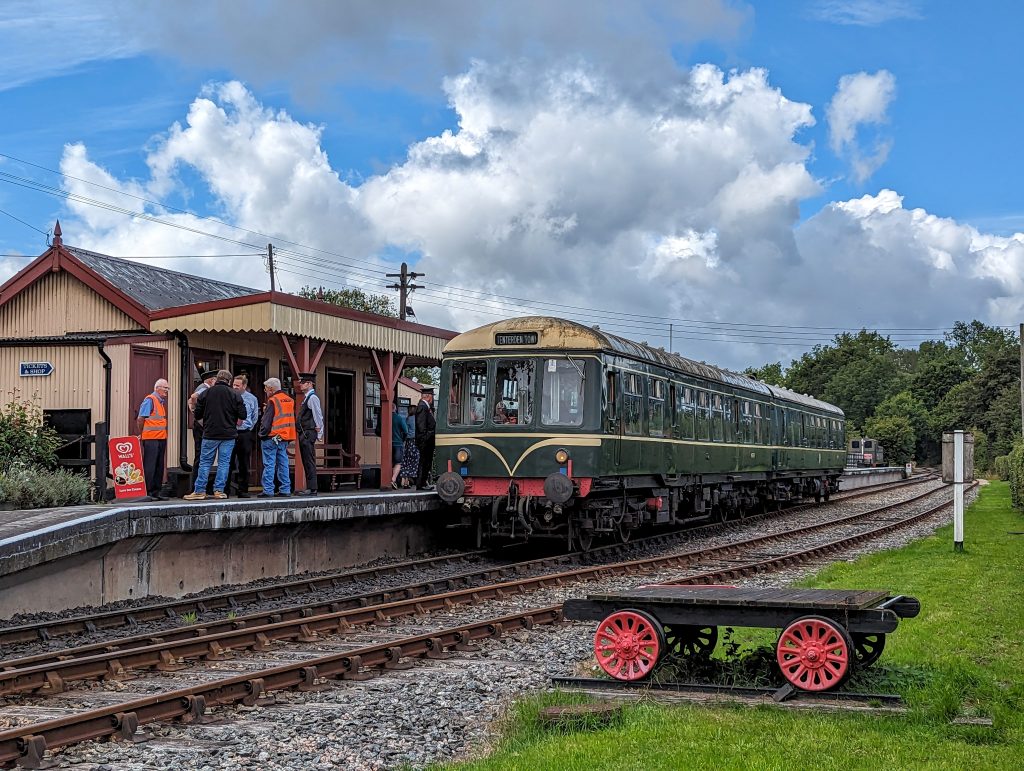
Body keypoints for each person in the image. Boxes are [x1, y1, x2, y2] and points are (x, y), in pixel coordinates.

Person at [185, 370, 246, 500]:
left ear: (216, 379)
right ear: (229, 381)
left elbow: (197, 415)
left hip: (210, 433)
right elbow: (243, 415)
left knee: (205, 462)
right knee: (224, 463)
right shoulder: (235, 394)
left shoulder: (206, 393)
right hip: (229, 434)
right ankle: (219, 491)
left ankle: (199, 491)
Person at [258, 377, 295, 498]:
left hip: (272, 436)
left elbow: (267, 421)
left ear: (271, 389)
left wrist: (262, 434)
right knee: (283, 462)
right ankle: (285, 489)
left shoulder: (273, 400)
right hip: (284, 436)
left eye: (266, 389)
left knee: (269, 463)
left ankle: (268, 490)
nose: (265, 391)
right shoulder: (289, 400)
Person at [137, 378, 170, 500]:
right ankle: (148, 492)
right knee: (150, 465)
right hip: (150, 438)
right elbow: (140, 419)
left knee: (159, 465)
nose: (167, 390)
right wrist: (142, 433)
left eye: (168, 388)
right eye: (165, 388)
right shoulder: (150, 400)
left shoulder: (160, 402)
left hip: (161, 438)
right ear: (157, 388)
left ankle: (156, 492)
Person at [228, 374, 259, 498]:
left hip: (244, 433)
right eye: (233, 385)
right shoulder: (229, 396)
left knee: (244, 463)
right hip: (230, 432)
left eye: (237, 385)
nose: (234, 387)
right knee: (227, 461)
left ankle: (243, 490)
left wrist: (248, 428)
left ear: (244, 386)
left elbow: (255, 417)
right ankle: (225, 490)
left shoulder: (252, 399)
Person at [295, 372, 324, 496]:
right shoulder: (307, 398)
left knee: (309, 460)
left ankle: (313, 488)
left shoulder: (312, 398)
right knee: (306, 459)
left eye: (303, 383)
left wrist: (319, 432)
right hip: (304, 432)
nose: (300, 385)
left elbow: (318, 415)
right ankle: (311, 487)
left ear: (309, 384)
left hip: (308, 432)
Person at [188, 369, 218, 491]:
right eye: (216, 380)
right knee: (201, 456)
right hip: (201, 427)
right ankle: (197, 485)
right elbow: (192, 398)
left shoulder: (202, 387)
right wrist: (198, 414)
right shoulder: (205, 388)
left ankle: (197, 485)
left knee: (200, 456)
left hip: (200, 425)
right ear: (212, 380)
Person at [414, 389, 436, 490]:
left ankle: (423, 482)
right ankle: (421, 483)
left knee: (427, 461)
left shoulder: (426, 407)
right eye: (432, 396)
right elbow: (421, 425)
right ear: (429, 396)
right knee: (424, 461)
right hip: (425, 440)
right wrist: (426, 437)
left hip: (428, 440)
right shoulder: (422, 407)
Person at [389, 399, 409, 489]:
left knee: (388, 462)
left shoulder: (385, 418)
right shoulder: (399, 418)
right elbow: (406, 431)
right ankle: (393, 480)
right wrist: (403, 439)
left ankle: (387, 478)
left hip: (387, 444)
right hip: (398, 443)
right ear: (395, 409)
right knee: (398, 462)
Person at [399, 404, 419, 488]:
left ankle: (405, 481)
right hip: (416, 441)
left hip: (408, 442)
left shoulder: (407, 419)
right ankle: (412, 479)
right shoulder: (418, 419)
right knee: (415, 461)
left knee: (407, 460)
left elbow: (405, 431)